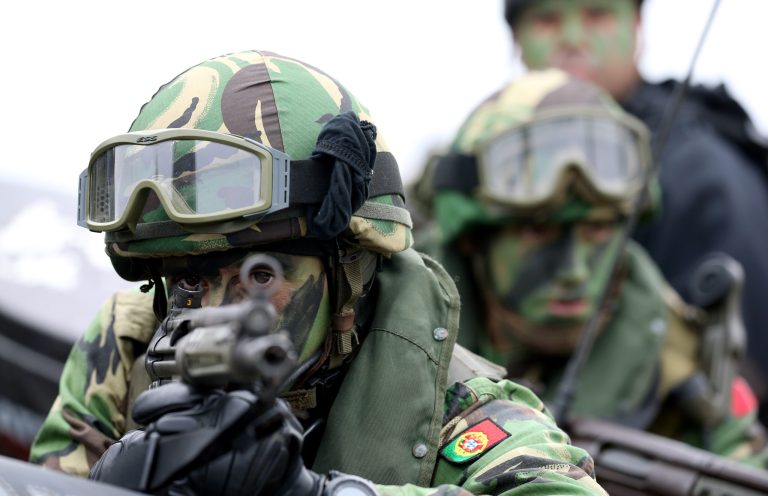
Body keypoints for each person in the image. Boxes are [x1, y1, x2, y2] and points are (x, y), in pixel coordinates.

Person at [28, 50, 606, 495]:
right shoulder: (130, 343)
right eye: (187, 281)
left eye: (260, 277)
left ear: (351, 271)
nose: (212, 312)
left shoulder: (460, 409)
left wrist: (310, 493)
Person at [427, 68, 768, 466]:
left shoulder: (689, 380)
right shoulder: (391, 319)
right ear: (472, 239)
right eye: (538, 231)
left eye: (599, 229)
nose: (574, 271)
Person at [502, 0, 768, 419]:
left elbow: (738, 382)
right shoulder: (488, 159)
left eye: (597, 14)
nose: (572, 39)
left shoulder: (697, 168)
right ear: (517, 38)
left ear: (639, 26)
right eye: (547, 19)